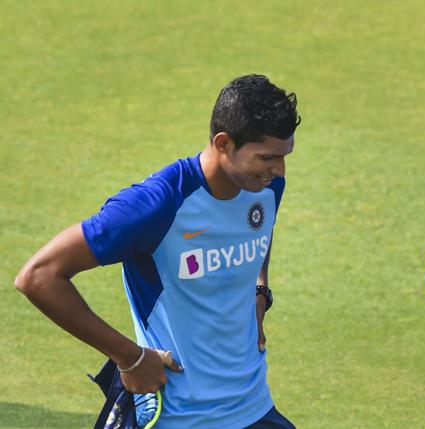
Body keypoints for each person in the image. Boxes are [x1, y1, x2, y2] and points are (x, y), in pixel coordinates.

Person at [15, 74, 300, 429]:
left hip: (254, 409)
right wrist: (129, 357)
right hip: (177, 417)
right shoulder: (157, 204)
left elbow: (258, 225)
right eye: (268, 157)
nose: (281, 170)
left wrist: (260, 287)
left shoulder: (266, 185)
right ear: (224, 143)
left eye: (285, 156)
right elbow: (38, 276)